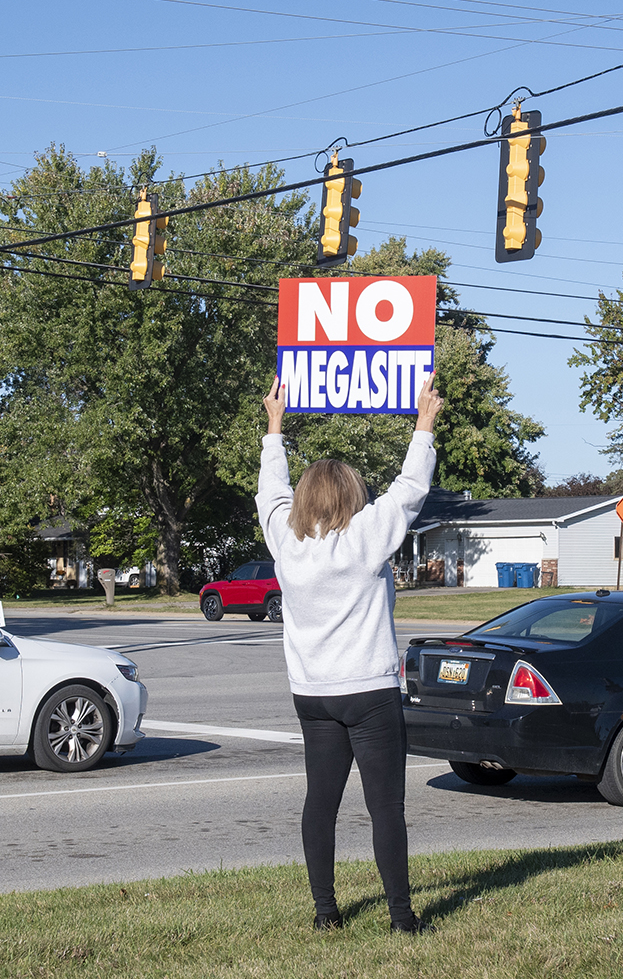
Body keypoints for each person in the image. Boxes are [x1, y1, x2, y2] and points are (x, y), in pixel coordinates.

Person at [257, 372, 442, 935]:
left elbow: (270, 493)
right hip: (369, 695)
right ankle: (403, 920)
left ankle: (324, 914)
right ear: (352, 499)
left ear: (306, 499)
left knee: (321, 803)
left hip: (313, 697)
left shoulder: (286, 546)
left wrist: (274, 426)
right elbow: (410, 488)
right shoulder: (366, 538)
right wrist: (424, 423)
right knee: (385, 807)